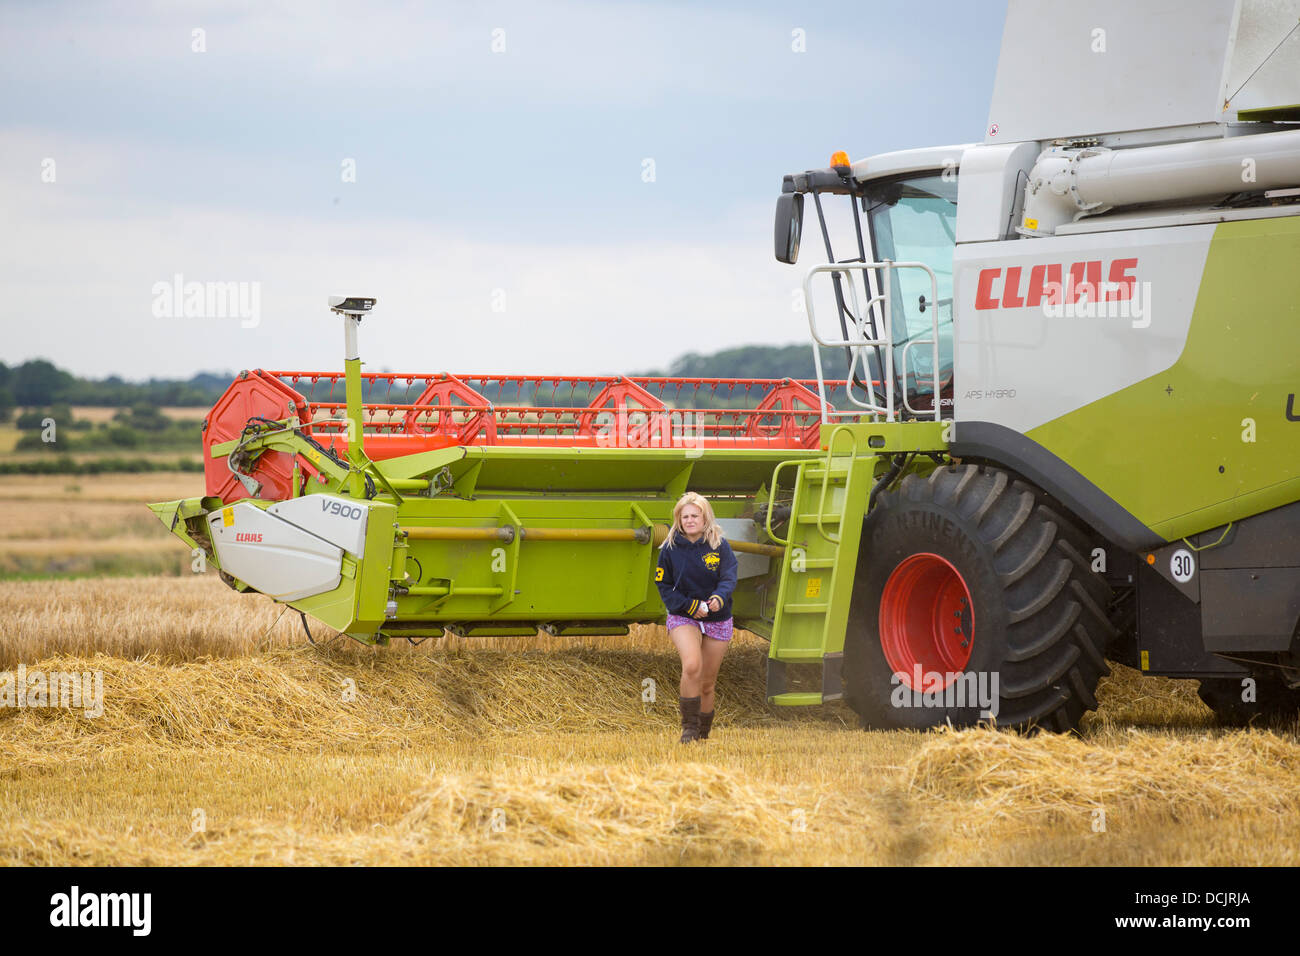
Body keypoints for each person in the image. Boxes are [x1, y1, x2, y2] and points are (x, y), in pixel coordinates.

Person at [655, 491, 738, 743]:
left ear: (705, 518)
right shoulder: (669, 549)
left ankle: (703, 733)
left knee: (707, 683)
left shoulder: (719, 545)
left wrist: (717, 599)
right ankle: (688, 729)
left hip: (717, 616)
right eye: (685, 516)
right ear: (679, 520)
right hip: (684, 615)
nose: (690, 520)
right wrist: (690, 606)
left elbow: (729, 577)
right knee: (692, 666)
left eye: (695, 516)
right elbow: (664, 586)